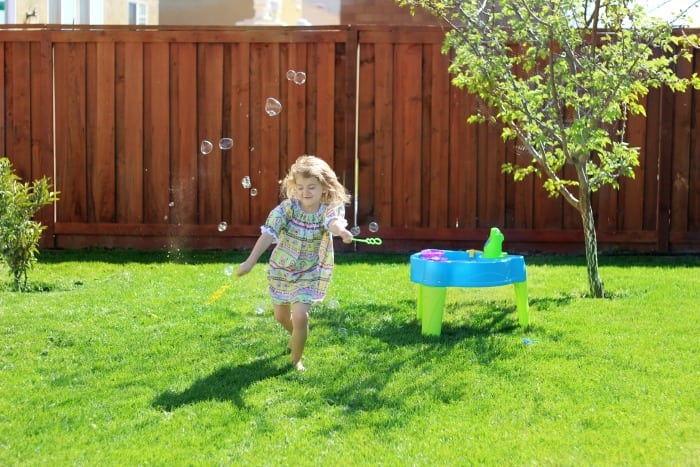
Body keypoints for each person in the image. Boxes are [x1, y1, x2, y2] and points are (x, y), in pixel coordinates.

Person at [237, 155, 353, 371]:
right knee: (281, 316)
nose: (305, 192)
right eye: (300, 187)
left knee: (300, 316)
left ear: (324, 188)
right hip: (281, 269)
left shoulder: (326, 210)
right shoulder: (286, 209)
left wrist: (342, 231)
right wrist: (250, 262)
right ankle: (297, 337)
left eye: (311, 187)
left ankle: (296, 360)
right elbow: (268, 234)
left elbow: (333, 222)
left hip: (309, 271)